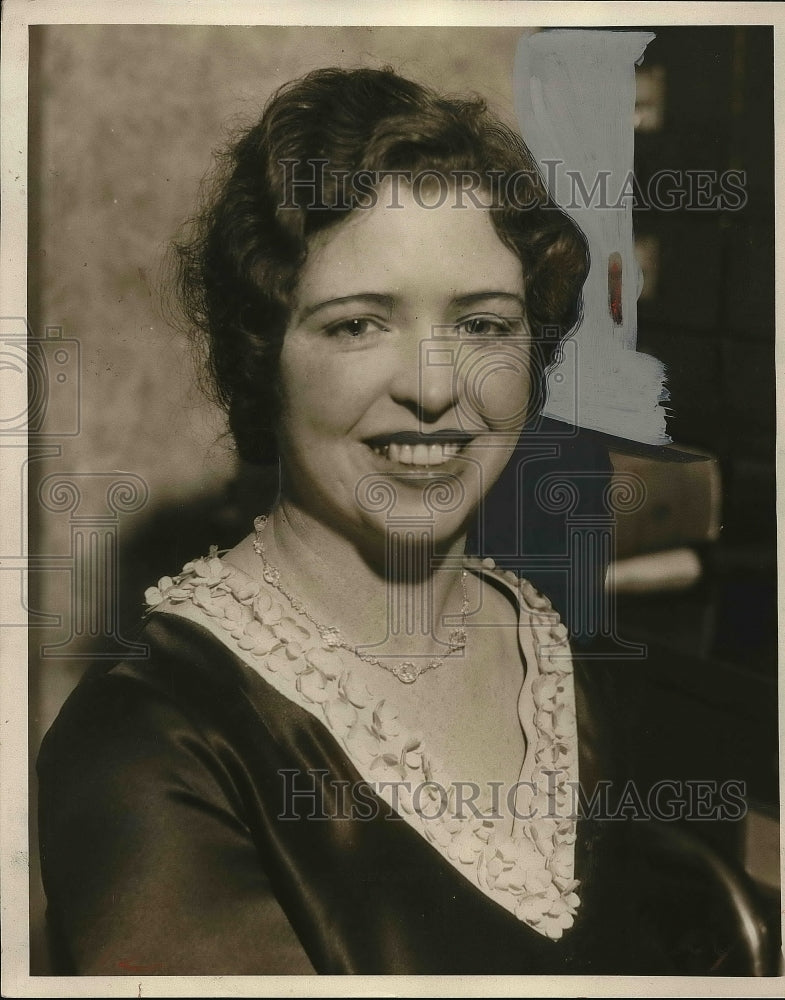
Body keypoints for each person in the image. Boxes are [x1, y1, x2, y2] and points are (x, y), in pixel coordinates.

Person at [36, 66, 734, 977]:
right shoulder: (144, 739)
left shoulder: (553, 650)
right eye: (358, 325)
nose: (434, 387)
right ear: (263, 357)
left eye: (484, 326)